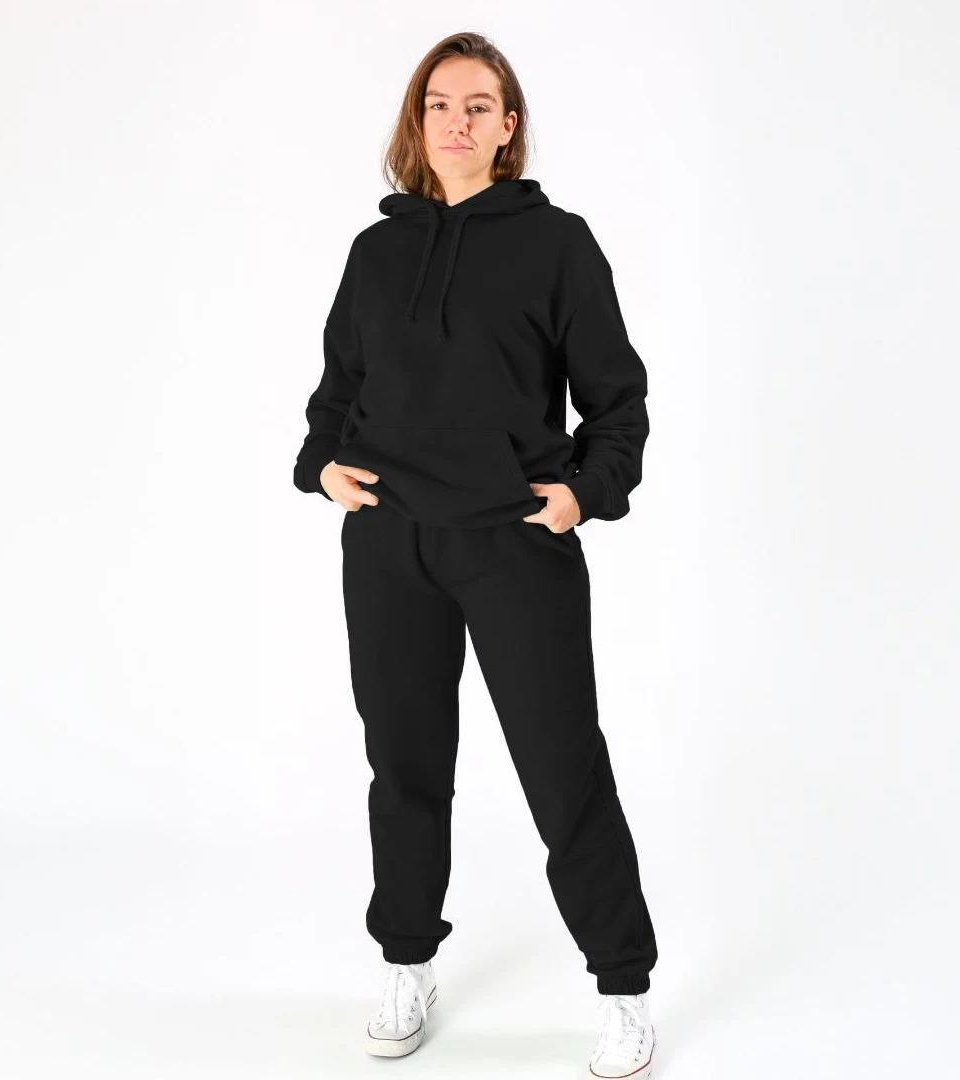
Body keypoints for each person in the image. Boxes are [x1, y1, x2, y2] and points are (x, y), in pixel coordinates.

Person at [292, 31, 658, 1078]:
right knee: (405, 765)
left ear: (508, 126)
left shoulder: (558, 245)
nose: (457, 120)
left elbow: (618, 399)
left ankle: (623, 987)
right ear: (418, 124)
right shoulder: (376, 253)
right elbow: (338, 390)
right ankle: (406, 961)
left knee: (562, 767)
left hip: (512, 543)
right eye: (439, 104)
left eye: (479, 105)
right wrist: (322, 465)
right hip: (389, 543)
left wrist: (584, 493)